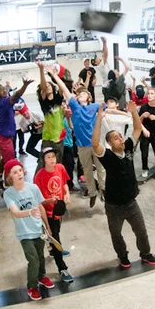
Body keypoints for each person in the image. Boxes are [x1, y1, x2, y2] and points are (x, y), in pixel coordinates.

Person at [92, 101, 155, 268]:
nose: (120, 138)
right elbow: (94, 143)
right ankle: (122, 256)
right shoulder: (106, 155)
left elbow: (136, 130)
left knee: (141, 232)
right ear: (109, 143)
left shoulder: (128, 147)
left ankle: (145, 254)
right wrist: (99, 119)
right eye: (115, 137)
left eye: (120, 136)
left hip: (131, 202)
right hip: (113, 205)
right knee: (116, 234)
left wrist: (134, 111)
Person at [3, 159, 57, 301]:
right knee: (33, 260)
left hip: (38, 230)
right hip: (24, 233)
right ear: (9, 177)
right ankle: (32, 286)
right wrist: (29, 213)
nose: (19, 174)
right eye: (15, 172)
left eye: (20, 170)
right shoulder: (8, 194)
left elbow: (41, 208)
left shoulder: (33, 188)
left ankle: (42, 276)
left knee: (40, 256)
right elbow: (15, 212)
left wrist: (47, 227)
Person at [50, 72, 105, 208]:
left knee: (101, 168)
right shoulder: (75, 106)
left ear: (89, 97)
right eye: (79, 94)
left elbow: (111, 110)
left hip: (96, 144)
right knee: (87, 170)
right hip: (82, 146)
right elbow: (63, 88)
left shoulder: (94, 107)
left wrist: (128, 113)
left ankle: (103, 189)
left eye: (84, 94)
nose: (81, 95)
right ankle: (92, 193)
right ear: (76, 97)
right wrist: (54, 75)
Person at [33, 147, 74, 284]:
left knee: (57, 232)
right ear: (43, 160)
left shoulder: (60, 168)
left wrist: (67, 194)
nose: (52, 159)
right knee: (55, 236)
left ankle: (54, 249)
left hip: (59, 209)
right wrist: (48, 201)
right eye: (48, 157)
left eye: (53, 156)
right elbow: (37, 200)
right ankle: (62, 268)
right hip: (48, 213)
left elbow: (64, 184)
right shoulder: (39, 176)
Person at [0, 76, 34, 177]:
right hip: (3, 138)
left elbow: (14, 108)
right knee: (10, 162)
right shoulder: (4, 102)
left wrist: (23, 112)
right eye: (1, 90)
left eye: (3, 88)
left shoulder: (3, 103)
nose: (4, 91)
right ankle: (9, 183)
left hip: (4, 135)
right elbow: (16, 96)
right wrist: (25, 85)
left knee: (6, 157)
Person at [36, 64, 66, 165]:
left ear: (53, 87)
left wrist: (54, 75)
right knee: (43, 162)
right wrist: (41, 70)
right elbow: (43, 88)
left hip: (58, 136)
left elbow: (62, 87)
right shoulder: (44, 101)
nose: (47, 87)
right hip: (47, 137)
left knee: (58, 162)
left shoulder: (58, 99)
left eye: (49, 86)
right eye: (46, 86)